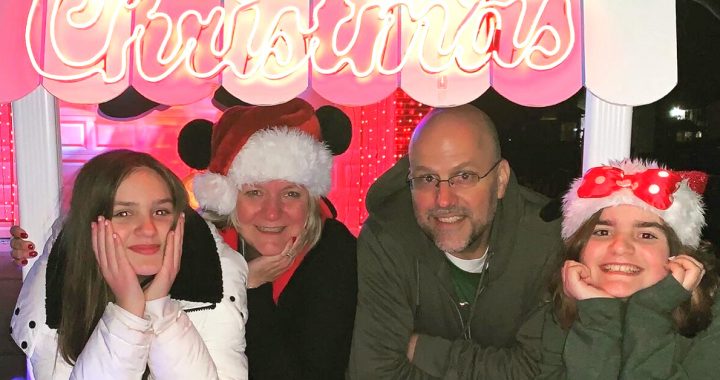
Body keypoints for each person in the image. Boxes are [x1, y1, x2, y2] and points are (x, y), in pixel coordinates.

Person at [348, 105, 564, 378]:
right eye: (427, 178)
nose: (444, 200)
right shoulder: (387, 238)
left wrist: (422, 349)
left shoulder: (546, 243)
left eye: (464, 176)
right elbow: (374, 373)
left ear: (500, 180)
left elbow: (541, 372)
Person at [10, 150, 249, 379]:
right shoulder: (60, 289)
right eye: (124, 213)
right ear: (90, 226)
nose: (148, 229)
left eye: (161, 211)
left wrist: (160, 310)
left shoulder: (212, 285)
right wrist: (128, 313)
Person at [179, 98, 357, 379]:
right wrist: (243, 281)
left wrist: (252, 290)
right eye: (254, 192)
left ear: (310, 201)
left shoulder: (334, 251)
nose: (272, 213)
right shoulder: (197, 251)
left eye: (290, 193)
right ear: (228, 200)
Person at [529, 158, 720, 379]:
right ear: (579, 250)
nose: (620, 247)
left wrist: (650, 313)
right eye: (602, 232)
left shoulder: (712, 327)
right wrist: (598, 318)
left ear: (678, 255)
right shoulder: (558, 313)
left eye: (646, 235)